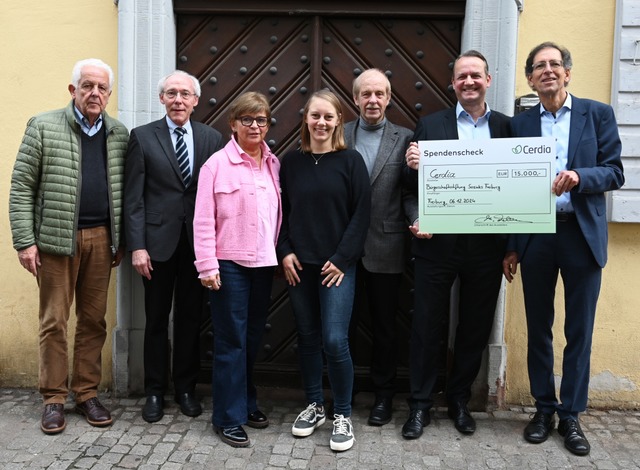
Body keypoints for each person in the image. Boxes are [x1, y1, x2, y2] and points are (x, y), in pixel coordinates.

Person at [503, 42, 624, 457]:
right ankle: (543, 409)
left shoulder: (598, 114)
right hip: (536, 235)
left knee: (579, 331)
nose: (549, 71)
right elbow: (507, 185)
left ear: (567, 73)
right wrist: (513, 245)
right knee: (539, 327)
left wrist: (579, 176)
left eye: (556, 64)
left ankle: (571, 416)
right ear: (531, 78)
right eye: (540, 66)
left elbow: (615, 171)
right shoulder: (520, 124)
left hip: (581, 235)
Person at [9, 58, 129, 434]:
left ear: (109, 94)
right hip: (54, 242)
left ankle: (86, 393)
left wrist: (121, 239)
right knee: (54, 322)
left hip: (102, 239)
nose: (95, 93)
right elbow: (21, 187)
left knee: (94, 321)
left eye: (102, 88)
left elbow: (124, 190)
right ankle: (53, 399)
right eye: (88, 86)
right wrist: (25, 241)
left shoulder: (118, 133)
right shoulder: (43, 126)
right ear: (73, 89)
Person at [402, 50, 512, 439]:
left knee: (475, 326)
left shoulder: (507, 128)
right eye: (461, 76)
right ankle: (419, 405)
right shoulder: (429, 125)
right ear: (452, 84)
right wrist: (416, 217)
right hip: (437, 245)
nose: (468, 82)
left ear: (488, 80)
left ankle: (460, 400)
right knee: (426, 325)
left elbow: (518, 190)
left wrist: (514, 243)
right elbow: (409, 188)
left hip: (486, 247)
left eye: (475, 75)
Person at [123, 70, 224, 423]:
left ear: (196, 100)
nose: (178, 99)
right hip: (156, 246)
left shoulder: (213, 138)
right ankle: (154, 391)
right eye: (171, 93)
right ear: (161, 99)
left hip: (197, 246)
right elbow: (133, 198)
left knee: (190, 319)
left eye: (185, 94)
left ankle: (185, 388)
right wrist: (137, 246)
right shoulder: (142, 137)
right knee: (155, 320)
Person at [278, 90, 371, 452]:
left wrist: (343, 258)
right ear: (306, 119)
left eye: (328, 117)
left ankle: (343, 413)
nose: (321, 123)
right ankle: (315, 405)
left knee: (334, 340)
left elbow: (362, 213)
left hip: (338, 267)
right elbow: (279, 210)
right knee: (307, 336)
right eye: (315, 116)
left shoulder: (351, 161)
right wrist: (284, 252)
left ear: (338, 121)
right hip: (300, 266)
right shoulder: (290, 162)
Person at [193, 91, 282, 448]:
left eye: (261, 119)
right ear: (233, 124)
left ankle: (246, 403)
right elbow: (202, 220)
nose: (255, 126)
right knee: (231, 342)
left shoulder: (273, 163)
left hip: (263, 264)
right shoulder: (216, 165)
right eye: (248, 119)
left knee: (251, 339)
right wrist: (206, 265)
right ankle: (227, 418)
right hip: (228, 264)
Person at [344, 69, 416, 426]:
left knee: (385, 328)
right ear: (355, 98)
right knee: (342, 326)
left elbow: (410, 190)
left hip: (387, 244)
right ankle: (344, 394)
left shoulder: (405, 138)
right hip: (342, 249)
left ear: (389, 98)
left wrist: (418, 219)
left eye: (379, 94)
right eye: (365, 94)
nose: (372, 100)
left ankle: (383, 396)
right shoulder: (338, 134)